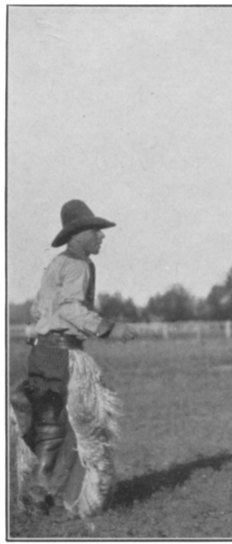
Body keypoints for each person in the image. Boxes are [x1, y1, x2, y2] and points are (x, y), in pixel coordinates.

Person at [10, 199, 137, 518]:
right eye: (96, 231)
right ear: (79, 234)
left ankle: (40, 493)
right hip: (64, 356)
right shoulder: (79, 265)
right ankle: (77, 496)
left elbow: (38, 309)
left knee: (48, 425)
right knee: (84, 426)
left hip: (42, 353)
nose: (101, 237)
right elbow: (69, 309)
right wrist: (108, 328)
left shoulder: (56, 264)